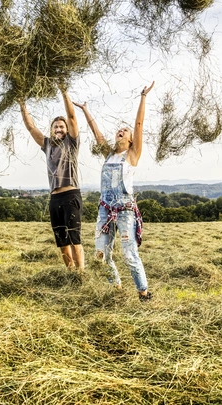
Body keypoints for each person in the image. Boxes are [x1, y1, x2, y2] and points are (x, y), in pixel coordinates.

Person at [73, 81, 155, 301]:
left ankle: (143, 292)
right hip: (104, 211)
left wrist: (143, 97)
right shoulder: (109, 154)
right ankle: (116, 287)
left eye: (125, 130)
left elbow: (139, 124)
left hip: (125, 211)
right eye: (119, 129)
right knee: (100, 254)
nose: (121, 130)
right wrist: (85, 109)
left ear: (129, 139)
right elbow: (96, 131)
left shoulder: (132, 154)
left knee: (129, 254)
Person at [19, 90, 85, 271]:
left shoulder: (71, 143)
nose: (58, 129)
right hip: (54, 199)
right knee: (62, 241)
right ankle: (70, 272)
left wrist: (64, 92)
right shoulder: (47, 145)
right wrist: (21, 102)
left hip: (71, 195)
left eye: (61, 127)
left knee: (74, 239)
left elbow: (72, 117)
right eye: (55, 127)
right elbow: (31, 127)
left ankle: (81, 275)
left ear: (67, 130)